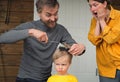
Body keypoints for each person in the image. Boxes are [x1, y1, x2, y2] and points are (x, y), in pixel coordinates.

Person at [0, 0, 85, 82]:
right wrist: (31, 32)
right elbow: (2, 38)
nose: (53, 19)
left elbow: (74, 46)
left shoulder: (60, 30)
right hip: (26, 78)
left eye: (55, 14)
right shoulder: (30, 26)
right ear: (39, 13)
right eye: (48, 15)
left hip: (46, 78)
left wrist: (81, 48)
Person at [87, 0, 120, 82]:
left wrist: (101, 20)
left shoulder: (119, 17)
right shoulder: (94, 20)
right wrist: (99, 20)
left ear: (105, 3)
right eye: (90, 6)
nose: (92, 9)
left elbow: (111, 38)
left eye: (95, 5)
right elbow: (94, 41)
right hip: (106, 69)